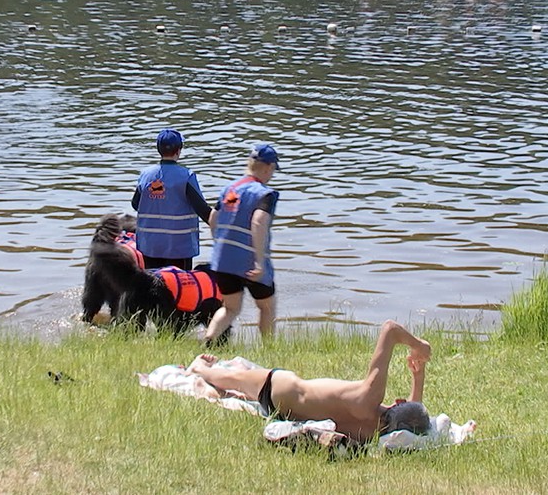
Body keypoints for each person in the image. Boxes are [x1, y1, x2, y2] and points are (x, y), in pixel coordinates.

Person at [186, 319, 433, 443]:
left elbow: (390, 329)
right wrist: (417, 378)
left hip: (282, 388)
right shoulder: (373, 435)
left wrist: (419, 346)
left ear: (398, 401)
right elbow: (411, 419)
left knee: (228, 378)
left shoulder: (368, 397)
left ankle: (199, 368)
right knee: (239, 387)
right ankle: (219, 374)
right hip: (285, 410)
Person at [203, 143, 280, 344]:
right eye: (272, 170)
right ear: (268, 167)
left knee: (230, 308)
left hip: (223, 261)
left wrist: (219, 244)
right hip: (249, 261)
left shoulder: (230, 189)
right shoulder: (265, 193)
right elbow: (258, 221)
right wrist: (260, 261)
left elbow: (213, 218)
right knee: (267, 307)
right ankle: (269, 349)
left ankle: (209, 340)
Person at [131, 128, 211, 271]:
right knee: (178, 289)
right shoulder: (186, 176)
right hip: (179, 247)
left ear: (158, 149)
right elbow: (202, 210)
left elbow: (135, 205)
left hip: (150, 245)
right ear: (179, 150)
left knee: (153, 286)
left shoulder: (145, 175)